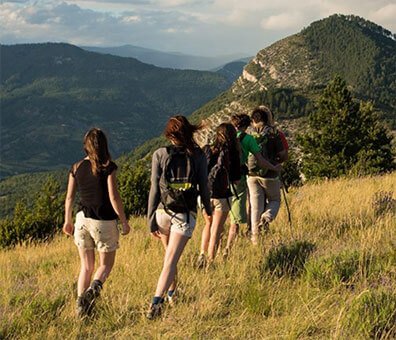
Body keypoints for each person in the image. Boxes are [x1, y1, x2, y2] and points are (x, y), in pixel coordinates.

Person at [147, 115, 212, 319]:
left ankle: (173, 293)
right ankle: (156, 302)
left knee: (169, 258)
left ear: (170, 133)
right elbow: (204, 185)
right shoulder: (198, 155)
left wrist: (150, 219)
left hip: (162, 212)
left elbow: (154, 189)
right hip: (184, 214)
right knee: (170, 260)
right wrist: (208, 209)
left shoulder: (159, 154)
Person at [63, 128, 131, 318]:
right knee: (105, 266)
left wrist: (67, 221)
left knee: (85, 266)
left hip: (81, 220)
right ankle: (94, 289)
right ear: (103, 145)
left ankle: (80, 306)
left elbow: (69, 198)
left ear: (86, 145)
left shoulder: (76, 167)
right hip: (104, 222)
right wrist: (124, 222)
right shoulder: (109, 167)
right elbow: (114, 197)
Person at [224, 114, 283, 255]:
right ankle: (255, 236)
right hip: (242, 178)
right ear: (248, 124)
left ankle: (210, 251)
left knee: (219, 218)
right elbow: (261, 160)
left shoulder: (225, 138)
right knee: (272, 201)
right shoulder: (249, 138)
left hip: (224, 180)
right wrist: (275, 167)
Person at [197, 123, 241, 267]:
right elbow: (236, 179)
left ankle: (202, 254)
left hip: (204, 195)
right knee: (217, 228)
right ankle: (211, 260)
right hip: (222, 196)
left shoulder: (207, 150)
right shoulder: (232, 153)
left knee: (208, 224)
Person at [247, 106, 286, 245]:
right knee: (275, 200)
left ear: (253, 120)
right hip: (270, 173)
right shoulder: (273, 133)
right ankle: (267, 217)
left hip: (251, 174)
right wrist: (277, 163)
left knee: (255, 207)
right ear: (267, 118)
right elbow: (282, 154)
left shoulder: (248, 133)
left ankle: (255, 240)